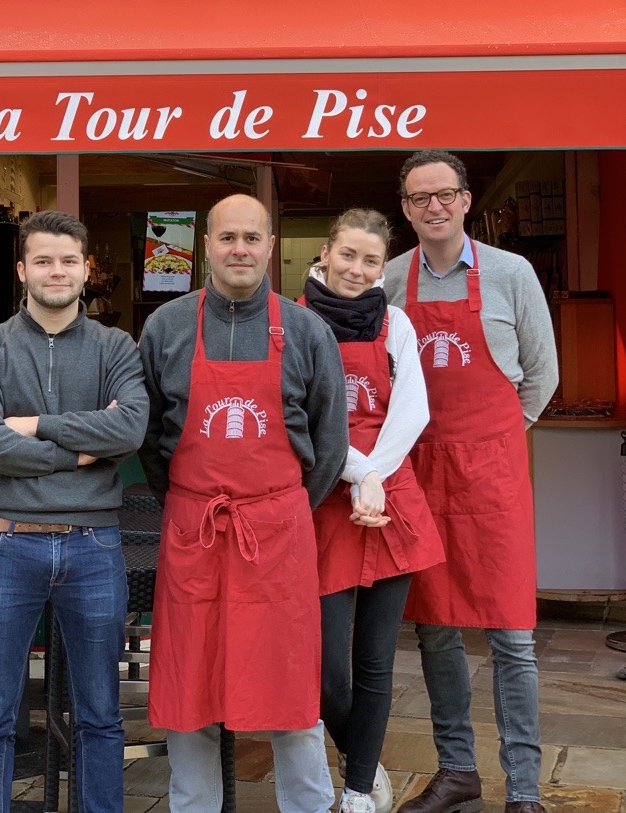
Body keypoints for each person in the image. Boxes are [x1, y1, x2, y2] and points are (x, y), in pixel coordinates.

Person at [138, 193, 349, 813]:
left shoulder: (308, 330)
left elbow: (330, 442)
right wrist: (188, 497)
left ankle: (309, 806)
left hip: (276, 534)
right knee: (189, 685)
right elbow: (147, 437)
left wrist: (276, 507)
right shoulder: (167, 327)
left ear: (270, 247)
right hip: (194, 529)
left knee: (290, 685)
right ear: (206, 245)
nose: (240, 249)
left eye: (251, 238)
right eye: (227, 238)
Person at [0, 210, 149, 813]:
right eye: (42, 260)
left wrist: (35, 428)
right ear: (21, 270)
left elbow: (130, 427)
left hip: (94, 545)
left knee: (101, 715)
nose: (56, 271)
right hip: (3, 546)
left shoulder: (117, 346)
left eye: (67, 260)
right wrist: (80, 453)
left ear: (84, 268)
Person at [384, 151, 559, 813]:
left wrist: (494, 440)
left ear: (464, 200)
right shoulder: (390, 280)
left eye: (445, 194)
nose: (434, 206)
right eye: (419, 197)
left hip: (493, 476)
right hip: (420, 473)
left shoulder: (512, 274)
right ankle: (457, 769)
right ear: (406, 208)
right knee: (434, 627)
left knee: (512, 634)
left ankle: (523, 788)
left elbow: (543, 374)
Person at [301, 209, 445, 813]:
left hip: (390, 499)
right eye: (348, 255)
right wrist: (359, 476)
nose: (358, 270)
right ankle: (364, 753)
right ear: (325, 254)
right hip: (326, 497)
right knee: (328, 675)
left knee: (376, 662)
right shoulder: (295, 324)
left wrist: (375, 479)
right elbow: (302, 419)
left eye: (371, 261)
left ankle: (358, 790)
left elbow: (413, 410)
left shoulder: (398, 324)